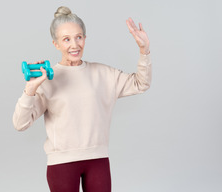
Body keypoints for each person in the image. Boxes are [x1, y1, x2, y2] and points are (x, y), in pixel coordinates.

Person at [13, 6, 151, 192]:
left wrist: (144, 51)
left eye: (79, 37)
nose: (74, 45)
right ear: (56, 44)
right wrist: (30, 89)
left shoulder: (103, 74)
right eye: (66, 39)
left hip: (98, 160)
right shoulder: (47, 80)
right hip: (62, 163)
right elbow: (20, 124)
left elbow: (140, 83)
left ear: (85, 38)